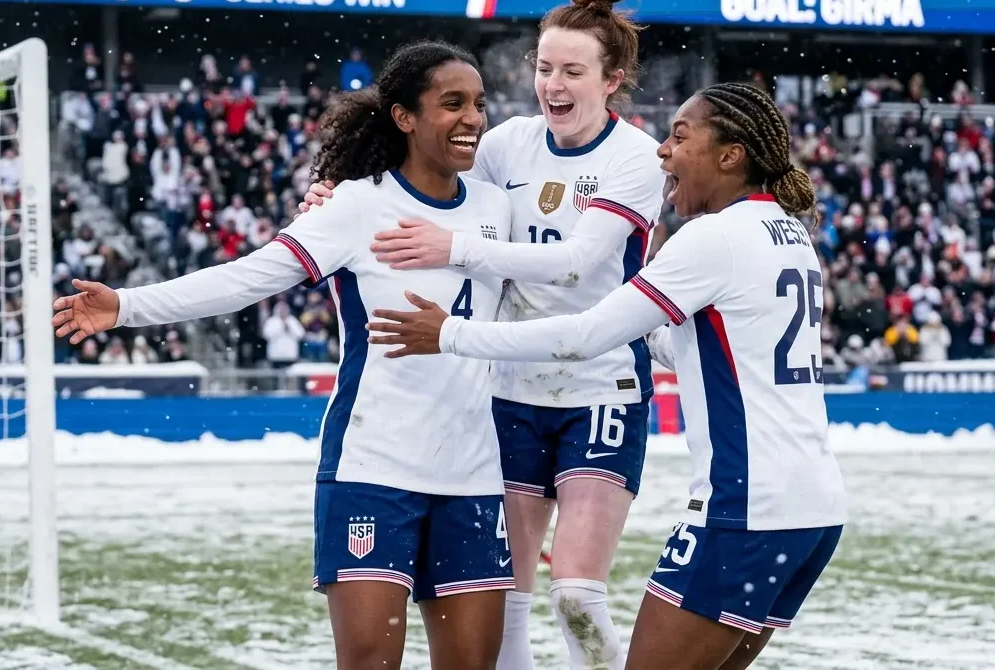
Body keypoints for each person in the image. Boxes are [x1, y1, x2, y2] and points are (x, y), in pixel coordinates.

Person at [52, 41, 516, 670]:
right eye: (452, 103)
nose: (472, 118)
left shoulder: (496, 207)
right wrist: (128, 306)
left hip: (473, 475)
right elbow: (249, 276)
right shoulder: (356, 204)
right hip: (373, 470)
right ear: (404, 116)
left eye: (479, 104)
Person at [362, 82, 847, 670]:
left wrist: (451, 334)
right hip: (813, 510)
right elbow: (701, 348)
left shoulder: (713, 237)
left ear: (730, 156)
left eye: (680, 137)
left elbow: (584, 337)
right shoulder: (789, 233)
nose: (663, 150)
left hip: (745, 508)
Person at [302, 0, 665, 670]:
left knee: (576, 595)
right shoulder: (507, 145)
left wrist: (457, 247)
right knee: (508, 602)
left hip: (601, 385)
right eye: (544, 68)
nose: (553, 85)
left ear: (611, 81)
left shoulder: (637, 159)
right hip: (511, 388)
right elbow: (429, 183)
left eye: (573, 72)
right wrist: (339, 192)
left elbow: (574, 262)